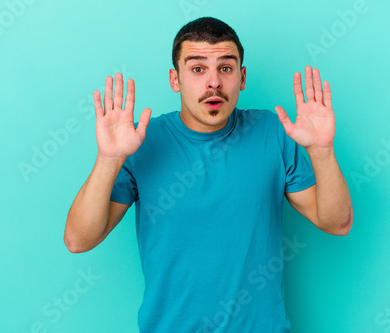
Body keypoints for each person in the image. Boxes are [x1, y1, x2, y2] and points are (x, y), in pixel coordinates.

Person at [64, 16, 352, 333]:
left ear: (242, 77)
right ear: (175, 80)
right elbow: (79, 240)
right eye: (198, 69)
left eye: (225, 68)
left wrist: (322, 152)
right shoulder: (141, 143)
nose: (213, 82)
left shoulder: (274, 133)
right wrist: (109, 158)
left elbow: (337, 223)